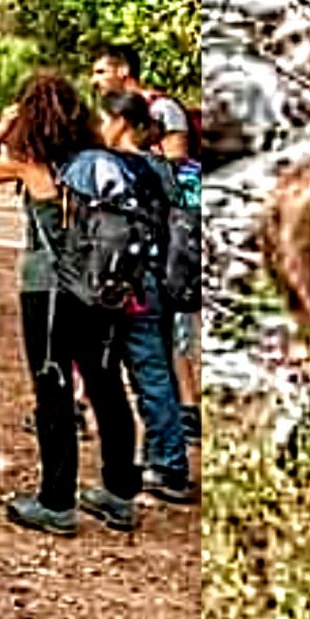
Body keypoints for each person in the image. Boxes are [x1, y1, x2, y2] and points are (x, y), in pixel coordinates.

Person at [0, 73, 141, 535]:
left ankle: (57, 502)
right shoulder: (103, 163)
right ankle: (120, 495)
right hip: (104, 289)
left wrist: (2, 125)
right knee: (107, 385)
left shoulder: (30, 163)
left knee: (53, 388)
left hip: (50, 290)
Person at [98, 91, 195, 505]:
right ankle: (163, 458)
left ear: (118, 122)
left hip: (130, 285)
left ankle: (169, 465)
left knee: (148, 375)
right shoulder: (163, 167)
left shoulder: (116, 168)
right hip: (161, 280)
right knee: (155, 373)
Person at [88, 44, 190, 162]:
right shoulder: (108, 111)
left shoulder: (162, 107)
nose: (93, 81)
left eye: (101, 72)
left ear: (123, 70)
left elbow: (177, 162)